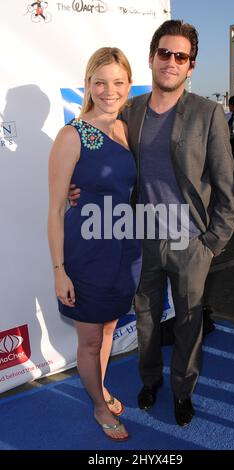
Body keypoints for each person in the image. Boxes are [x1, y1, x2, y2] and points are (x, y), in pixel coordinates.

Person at [69, 20, 234, 427]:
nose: (171, 62)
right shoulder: (131, 110)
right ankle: (150, 382)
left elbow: (227, 187)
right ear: (151, 57)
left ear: (191, 66)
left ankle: (183, 391)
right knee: (145, 318)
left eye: (181, 56)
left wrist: (211, 244)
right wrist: (80, 190)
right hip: (141, 235)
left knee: (188, 321)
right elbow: (106, 164)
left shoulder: (208, 113)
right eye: (165, 53)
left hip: (190, 240)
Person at [48, 47, 142, 441]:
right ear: (87, 85)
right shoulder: (72, 135)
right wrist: (59, 271)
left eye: (118, 82)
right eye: (100, 82)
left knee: (106, 332)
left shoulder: (125, 128)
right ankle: (99, 407)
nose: (109, 90)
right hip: (86, 255)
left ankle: (99, 385)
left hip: (124, 251)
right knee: (89, 339)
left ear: (128, 85)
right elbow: (54, 210)